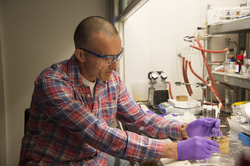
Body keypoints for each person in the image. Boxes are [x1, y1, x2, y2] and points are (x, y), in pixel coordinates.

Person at [19, 16, 222, 166]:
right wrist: (174, 149)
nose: (114, 66)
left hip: (96, 161)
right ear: (80, 55)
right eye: (106, 58)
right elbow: (98, 134)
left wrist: (183, 129)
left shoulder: (110, 79)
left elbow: (139, 118)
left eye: (118, 56)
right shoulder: (52, 83)